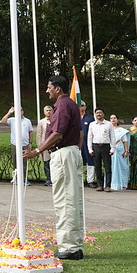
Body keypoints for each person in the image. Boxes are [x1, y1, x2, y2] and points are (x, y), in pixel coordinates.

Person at [23, 75, 84, 261]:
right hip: (70, 152)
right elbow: (79, 133)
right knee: (72, 200)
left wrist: (37, 150)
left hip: (64, 153)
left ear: (58, 89)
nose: (47, 91)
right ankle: (74, 245)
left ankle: (68, 247)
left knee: (65, 200)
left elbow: (58, 134)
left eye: (49, 87)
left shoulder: (64, 105)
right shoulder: (70, 104)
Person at [1, 106, 32, 185]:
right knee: (15, 162)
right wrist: (9, 112)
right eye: (17, 110)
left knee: (24, 163)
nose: (19, 112)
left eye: (21, 110)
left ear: (23, 111)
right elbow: (3, 121)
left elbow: (30, 132)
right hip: (15, 144)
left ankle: (24, 179)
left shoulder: (27, 121)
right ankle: (17, 179)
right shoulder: (12, 120)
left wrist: (30, 143)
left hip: (25, 144)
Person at [87, 107, 113, 191]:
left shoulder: (108, 124)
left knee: (107, 167)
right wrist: (90, 149)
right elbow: (90, 137)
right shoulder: (92, 124)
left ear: (103, 114)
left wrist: (113, 148)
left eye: (100, 113)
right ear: (95, 114)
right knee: (97, 167)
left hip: (106, 146)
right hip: (96, 146)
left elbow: (112, 137)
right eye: (97, 113)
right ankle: (100, 185)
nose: (99, 114)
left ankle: (108, 185)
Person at [108, 114, 130, 191]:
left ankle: (123, 184)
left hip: (120, 150)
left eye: (114, 118)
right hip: (110, 151)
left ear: (117, 120)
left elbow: (125, 141)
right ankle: (111, 184)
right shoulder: (108, 129)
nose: (113, 119)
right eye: (111, 118)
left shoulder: (122, 131)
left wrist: (126, 151)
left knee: (122, 168)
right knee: (111, 167)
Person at [79, 101, 96, 188]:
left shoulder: (90, 118)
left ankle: (90, 180)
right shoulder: (74, 117)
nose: (80, 107)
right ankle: (79, 180)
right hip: (77, 143)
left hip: (88, 143)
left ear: (85, 107)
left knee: (90, 161)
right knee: (78, 162)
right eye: (78, 105)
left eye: (82, 106)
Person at [36, 105, 53, 186]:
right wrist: (40, 146)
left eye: (50, 110)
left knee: (54, 163)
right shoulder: (41, 122)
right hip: (45, 145)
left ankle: (54, 179)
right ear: (44, 112)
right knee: (46, 163)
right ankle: (48, 179)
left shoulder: (55, 120)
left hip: (54, 145)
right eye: (47, 110)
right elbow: (39, 134)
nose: (49, 112)